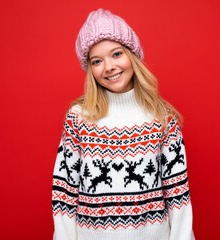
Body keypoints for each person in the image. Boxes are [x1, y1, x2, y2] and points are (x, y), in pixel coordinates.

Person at [52, 8, 194, 240]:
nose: (108, 66)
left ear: (133, 55)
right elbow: (64, 194)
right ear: (90, 69)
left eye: (116, 54)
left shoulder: (162, 118)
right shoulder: (78, 118)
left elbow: (179, 197)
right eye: (97, 61)